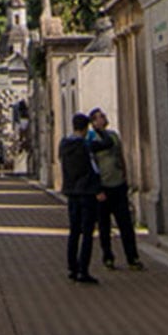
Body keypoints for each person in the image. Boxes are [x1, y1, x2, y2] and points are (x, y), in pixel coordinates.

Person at [86, 107, 142, 270]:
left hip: (118, 185)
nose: (103, 119)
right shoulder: (92, 140)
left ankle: (132, 258)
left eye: (103, 116)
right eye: (99, 117)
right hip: (103, 188)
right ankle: (108, 256)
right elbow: (91, 166)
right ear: (93, 122)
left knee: (126, 224)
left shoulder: (113, 136)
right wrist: (97, 190)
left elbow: (120, 156)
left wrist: (125, 177)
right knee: (104, 226)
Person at [58, 112, 105, 284]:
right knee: (87, 233)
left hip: (71, 192)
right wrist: (98, 189)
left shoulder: (64, 145)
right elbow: (92, 169)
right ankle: (83, 270)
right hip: (86, 192)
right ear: (86, 128)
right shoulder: (84, 147)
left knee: (74, 231)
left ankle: (72, 267)